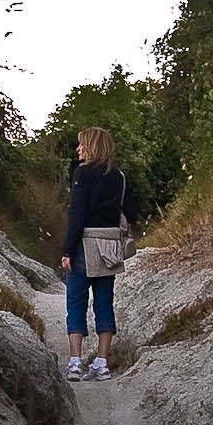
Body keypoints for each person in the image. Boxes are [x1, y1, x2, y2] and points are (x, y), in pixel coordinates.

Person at [60, 125, 141, 380]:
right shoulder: (119, 176)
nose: (78, 149)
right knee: (104, 303)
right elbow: (132, 212)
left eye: (82, 144)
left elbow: (77, 215)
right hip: (110, 246)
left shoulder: (82, 173)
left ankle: (75, 363)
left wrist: (67, 250)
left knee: (76, 302)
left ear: (92, 147)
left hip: (84, 244)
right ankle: (101, 363)